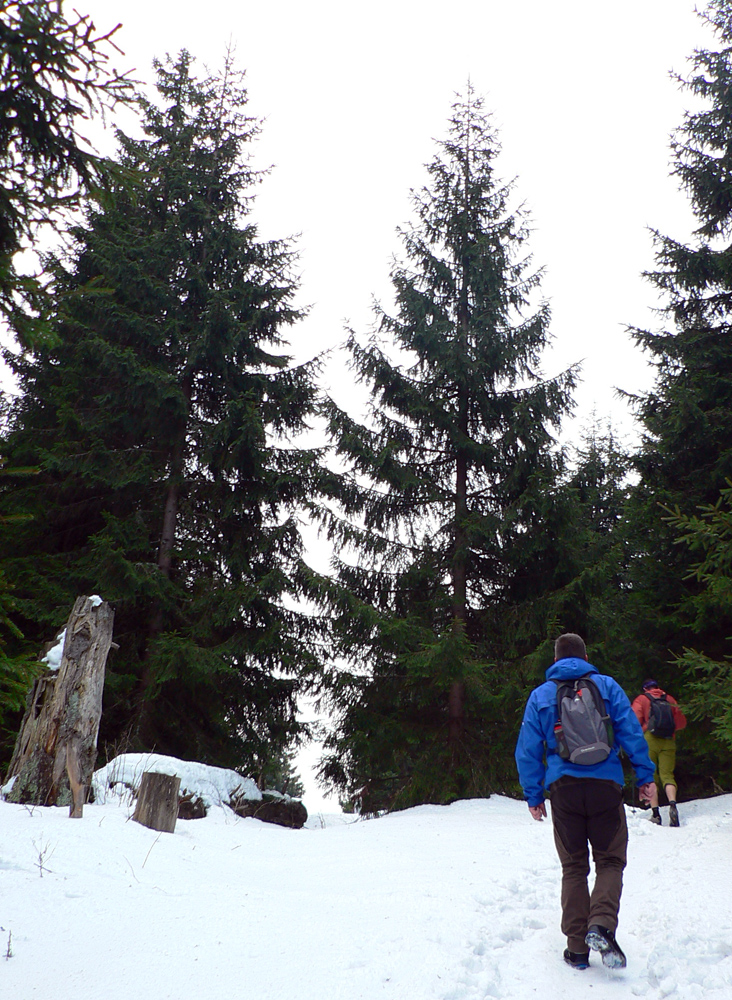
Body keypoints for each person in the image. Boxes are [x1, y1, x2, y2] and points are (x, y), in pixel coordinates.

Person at [515, 633, 655, 972]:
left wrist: (534, 795)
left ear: (555, 659)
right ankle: (602, 924)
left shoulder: (541, 695)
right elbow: (631, 732)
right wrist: (645, 776)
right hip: (605, 785)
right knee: (610, 860)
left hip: (564, 790)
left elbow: (528, 750)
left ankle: (577, 949)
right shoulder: (606, 686)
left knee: (574, 867)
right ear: (586, 657)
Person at [631, 680, 687, 827]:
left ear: (645, 689)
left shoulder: (642, 699)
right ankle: (672, 805)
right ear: (657, 687)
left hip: (649, 740)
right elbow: (681, 722)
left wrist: (643, 729)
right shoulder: (669, 699)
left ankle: (656, 814)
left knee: (650, 776)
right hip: (668, 740)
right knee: (667, 775)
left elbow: (633, 721)